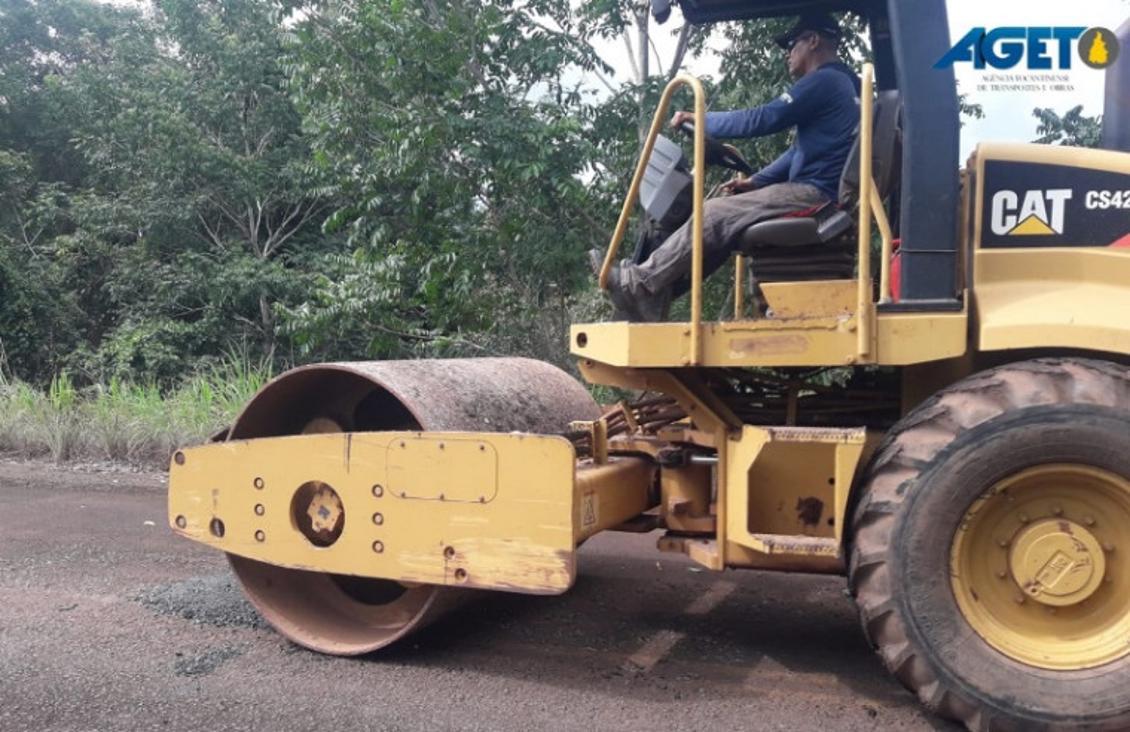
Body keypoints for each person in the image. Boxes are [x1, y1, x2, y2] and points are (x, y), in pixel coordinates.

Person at [593, 13, 862, 322]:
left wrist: (702, 119)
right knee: (724, 223)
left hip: (816, 195)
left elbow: (763, 118)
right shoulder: (847, 84)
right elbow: (798, 151)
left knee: (714, 214)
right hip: (822, 191)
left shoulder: (824, 81)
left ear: (813, 41)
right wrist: (757, 181)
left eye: (791, 44)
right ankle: (655, 295)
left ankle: (638, 284)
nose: (788, 53)